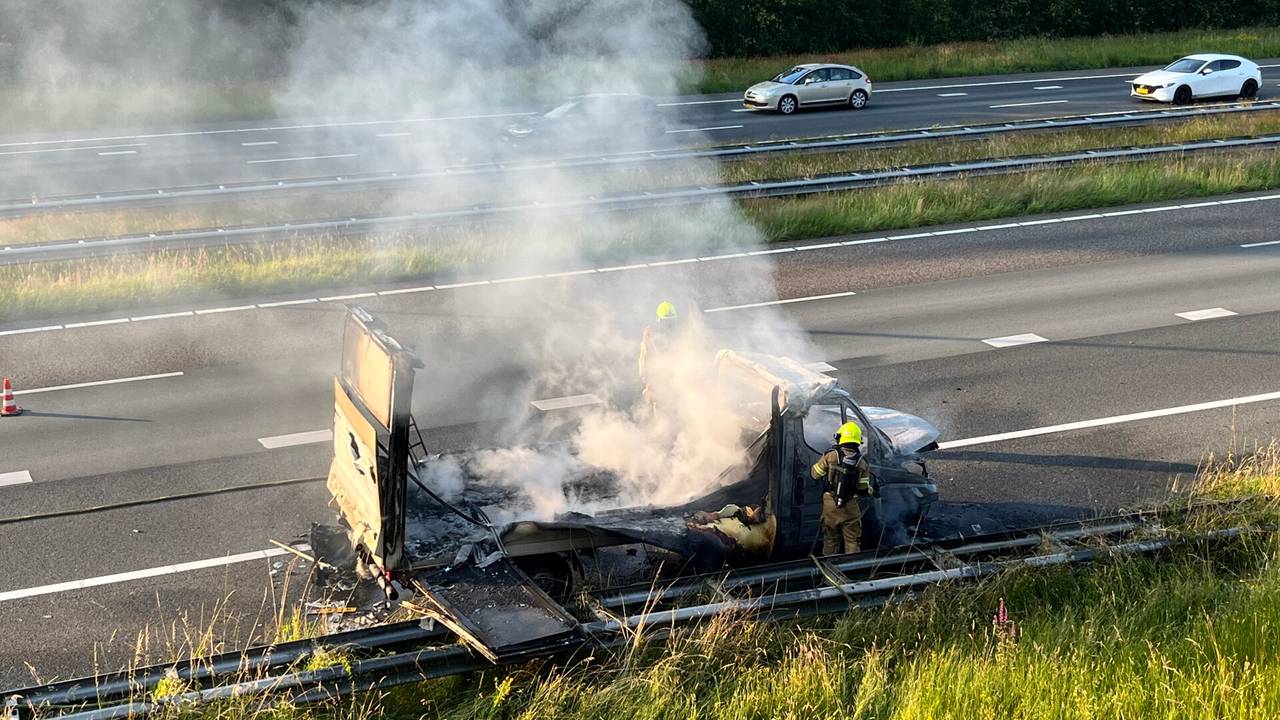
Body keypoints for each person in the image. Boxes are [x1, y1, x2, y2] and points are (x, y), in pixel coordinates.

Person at [810, 421, 872, 555]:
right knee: (852, 541)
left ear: (840, 437)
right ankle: (851, 565)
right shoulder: (862, 462)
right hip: (851, 506)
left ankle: (829, 563)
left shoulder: (830, 455)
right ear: (858, 441)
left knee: (830, 540)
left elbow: (815, 474)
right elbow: (863, 488)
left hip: (830, 505)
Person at [638, 300, 679, 409]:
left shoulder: (674, 334)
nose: (670, 325)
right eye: (667, 322)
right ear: (660, 320)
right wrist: (646, 379)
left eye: (672, 321)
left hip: (672, 379)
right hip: (657, 378)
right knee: (659, 405)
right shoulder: (650, 335)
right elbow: (644, 358)